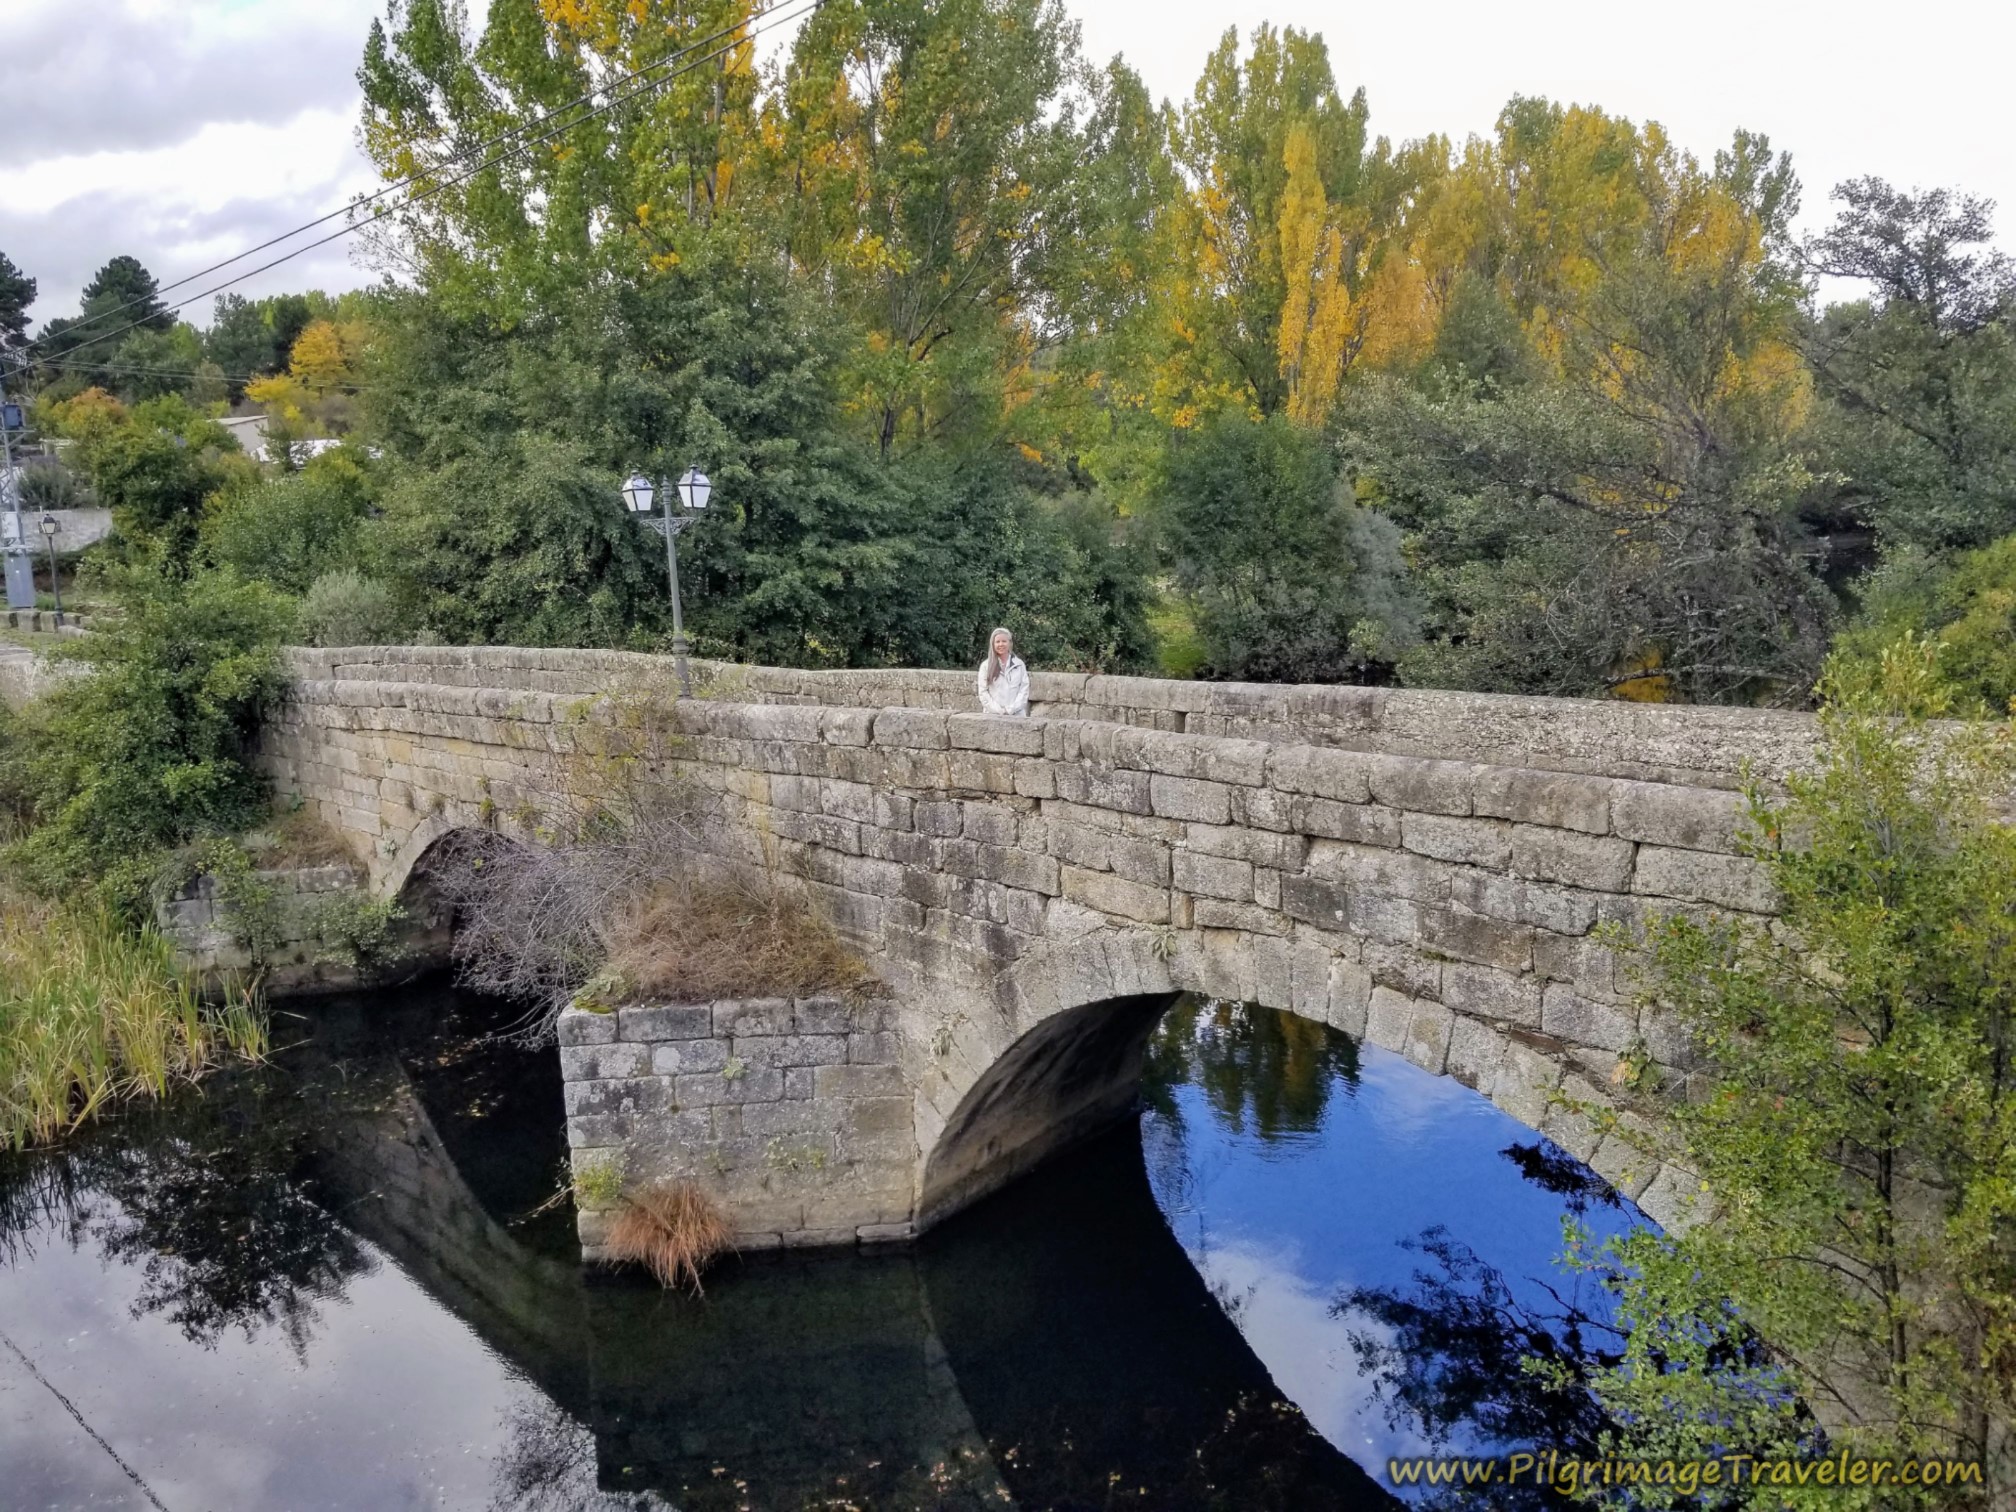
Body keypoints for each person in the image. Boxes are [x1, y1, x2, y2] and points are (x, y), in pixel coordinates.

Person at [976, 626, 1029, 717]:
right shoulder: (986, 666)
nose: (1001, 644)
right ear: (993, 644)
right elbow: (983, 692)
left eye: (1004, 641)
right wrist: (999, 710)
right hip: (992, 716)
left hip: (1016, 716)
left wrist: (1010, 709)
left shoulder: (1019, 665)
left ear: (1010, 643)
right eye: (998, 642)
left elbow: (1024, 690)